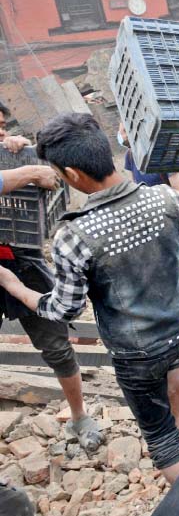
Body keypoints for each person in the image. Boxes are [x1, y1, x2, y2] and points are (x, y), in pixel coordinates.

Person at [0, 112, 179, 484]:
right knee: (173, 360)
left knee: (162, 443)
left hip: (138, 351)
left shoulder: (76, 233)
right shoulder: (164, 197)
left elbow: (63, 309)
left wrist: (15, 286)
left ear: (71, 175)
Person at [0, 107, 103, 453]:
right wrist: (31, 170)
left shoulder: (11, 155)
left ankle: (80, 416)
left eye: (1, 127)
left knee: (56, 344)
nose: (1, 134)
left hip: (22, 260)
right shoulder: (22, 170)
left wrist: (20, 149)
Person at [118, 123, 179, 295]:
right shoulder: (131, 155)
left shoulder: (163, 153)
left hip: (170, 208)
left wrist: (172, 208)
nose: (120, 135)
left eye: (123, 131)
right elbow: (135, 183)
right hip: (149, 210)